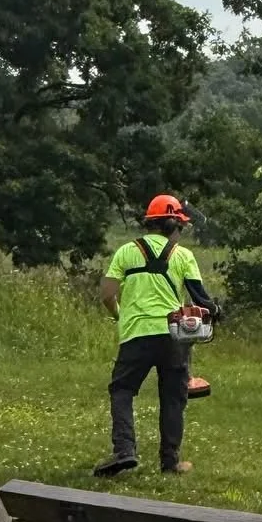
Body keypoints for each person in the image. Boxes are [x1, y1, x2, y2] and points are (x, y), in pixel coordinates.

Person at [94, 194, 217, 477]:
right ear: (173, 223)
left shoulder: (126, 251)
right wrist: (215, 310)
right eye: (181, 228)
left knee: (122, 390)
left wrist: (119, 316)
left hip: (136, 333)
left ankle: (125, 450)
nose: (181, 233)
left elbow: (107, 294)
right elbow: (201, 299)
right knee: (174, 397)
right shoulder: (183, 256)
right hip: (174, 335)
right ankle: (170, 463)